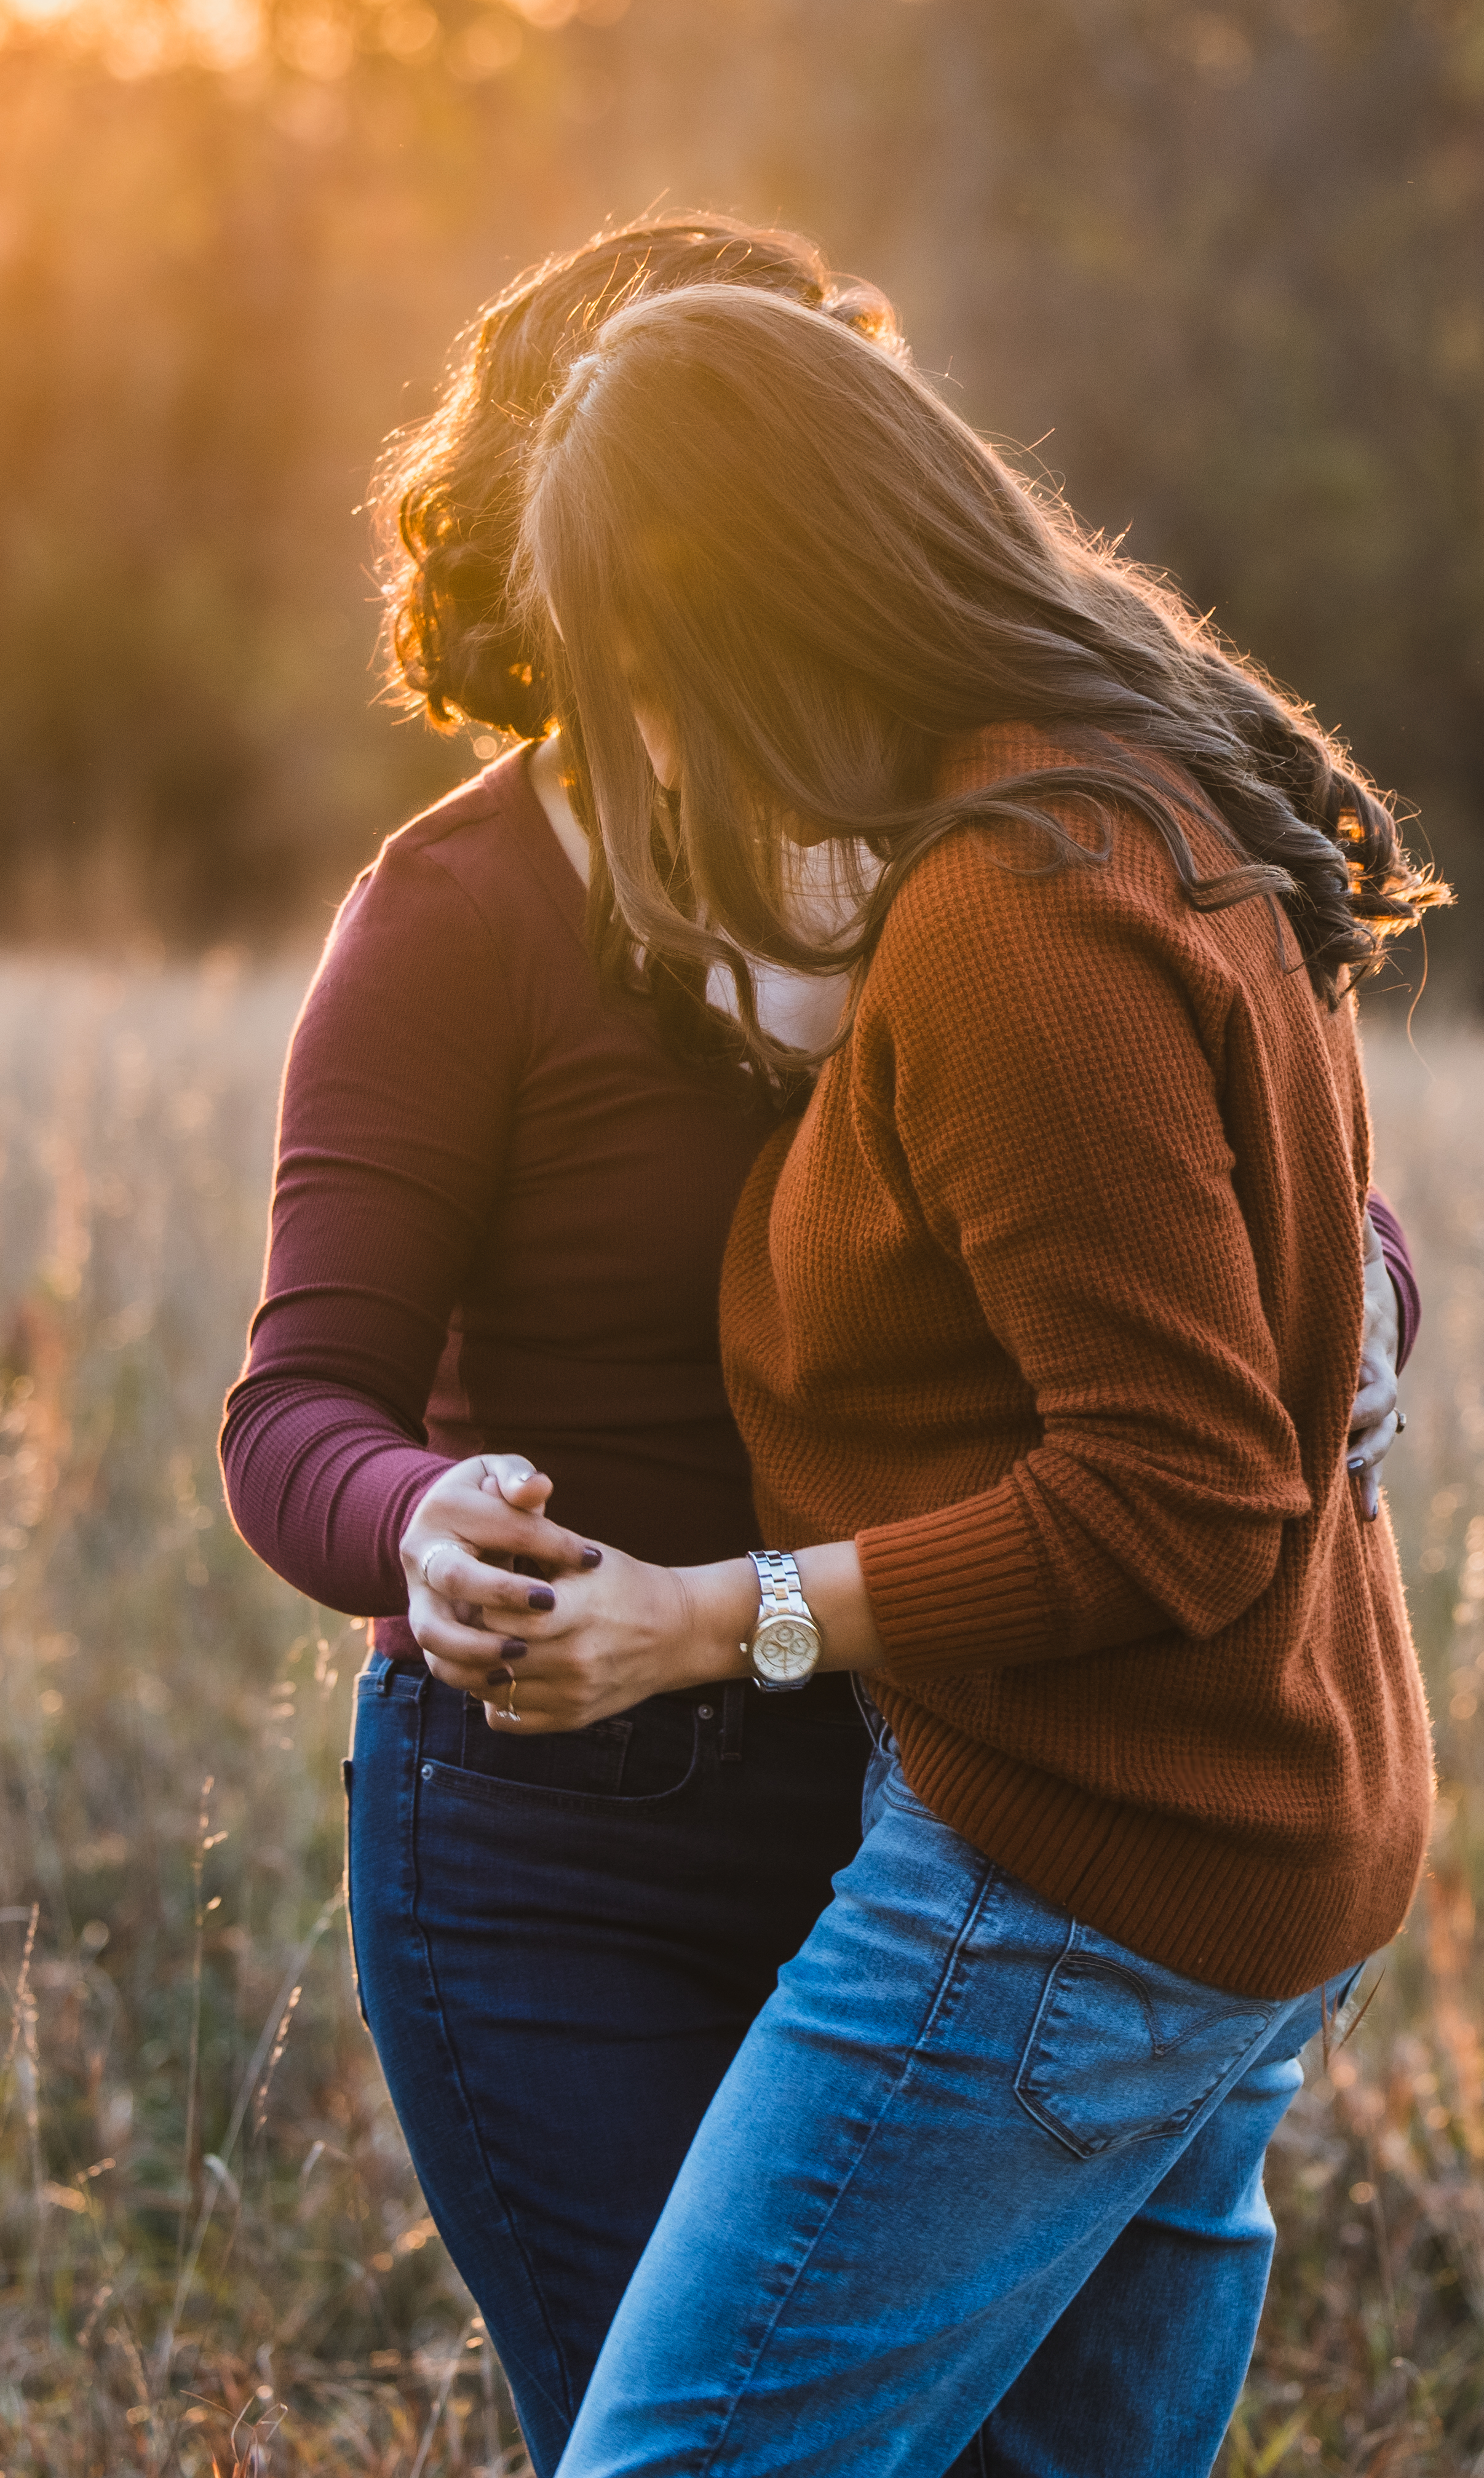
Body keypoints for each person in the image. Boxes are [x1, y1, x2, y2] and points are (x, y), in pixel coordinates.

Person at [221, 224, 1418, 2477]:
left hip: (933, 1764)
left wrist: (1358, 1303)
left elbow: (1177, 1218)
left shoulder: (976, 863)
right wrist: (422, 1522)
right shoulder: (473, 914)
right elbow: (296, 1404)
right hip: (580, 1839)